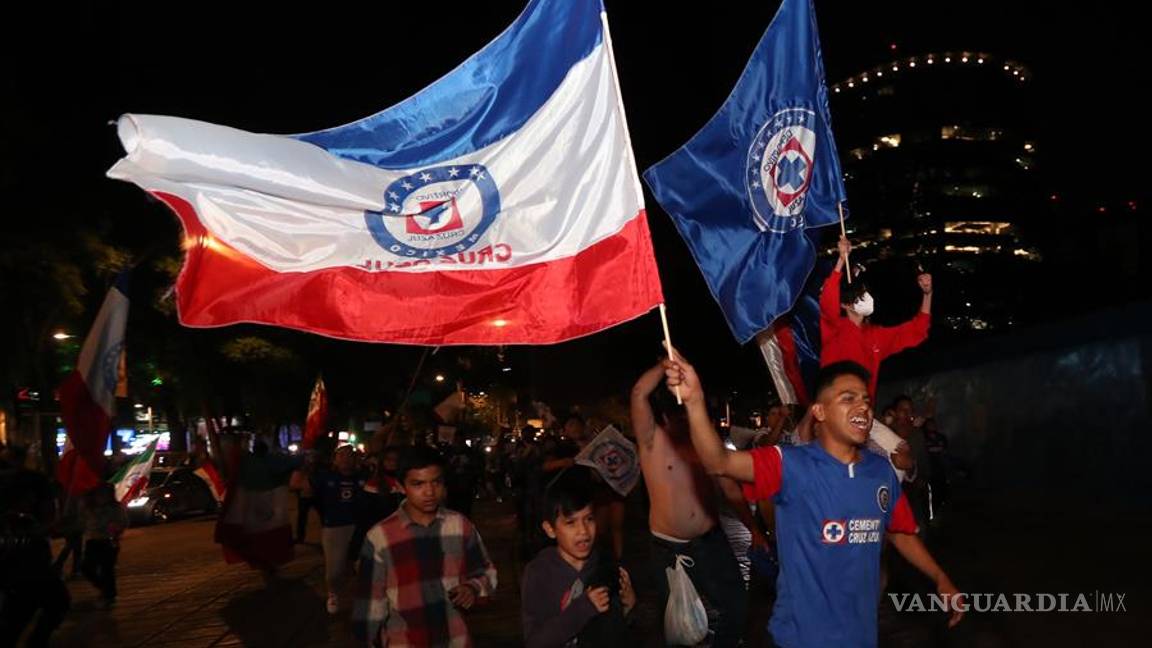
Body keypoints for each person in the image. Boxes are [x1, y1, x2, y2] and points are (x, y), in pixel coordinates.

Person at [664, 355, 964, 647]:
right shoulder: (790, 464)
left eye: (866, 400)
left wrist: (940, 578)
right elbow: (720, 462)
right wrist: (695, 402)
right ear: (819, 411)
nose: (863, 406)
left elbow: (898, 531)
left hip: (861, 636)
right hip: (801, 636)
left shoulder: (880, 471)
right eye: (848, 398)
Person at [631, 362, 762, 647]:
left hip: (710, 540)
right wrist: (663, 365)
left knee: (736, 605)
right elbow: (639, 392)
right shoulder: (651, 440)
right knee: (678, 622)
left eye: (684, 412)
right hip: (668, 547)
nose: (681, 419)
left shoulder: (703, 443)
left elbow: (729, 487)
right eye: (675, 413)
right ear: (664, 416)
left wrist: (754, 529)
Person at [354, 445, 497, 647]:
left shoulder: (460, 526)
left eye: (436, 482)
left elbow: (486, 572)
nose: (429, 492)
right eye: (418, 484)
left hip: (455, 639)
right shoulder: (380, 537)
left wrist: (472, 588)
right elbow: (370, 605)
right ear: (401, 486)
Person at [521, 469, 635, 647]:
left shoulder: (604, 564)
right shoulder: (539, 573)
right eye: (570, 522)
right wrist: (583, 609)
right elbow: (535, 642)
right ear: (550, 529)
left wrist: (628, 607)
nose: (583, 531)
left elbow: (620, 632)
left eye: (589, 519)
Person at [313, 444, 366, 614]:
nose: (345, 459)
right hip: (334, 528)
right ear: (335, 459)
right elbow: (310, 495)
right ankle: (333, 593)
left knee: (363, 566)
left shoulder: (363, 477)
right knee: (334, 570)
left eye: (349, 455)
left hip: (359, 527)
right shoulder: (324, 477)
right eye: (341, 455)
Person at [79, 483, 128, 608]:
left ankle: (108, 595)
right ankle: (106, 589)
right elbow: (82, 522)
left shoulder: (115, 508)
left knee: (107, 569)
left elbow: (122, 523)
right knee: (86, 568)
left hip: (108, 541)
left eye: (104, 493)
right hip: (93, 541)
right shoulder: (89, 507)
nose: (101, 496)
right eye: (99, 493)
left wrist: (115, 529)